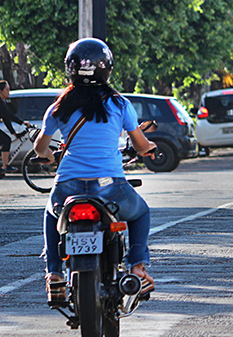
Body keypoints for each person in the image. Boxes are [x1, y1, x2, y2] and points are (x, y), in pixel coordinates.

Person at [35, 38, 157, 300]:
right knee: (141, 212)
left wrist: (47, 156)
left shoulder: (59, 106)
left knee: (52, 214)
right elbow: (140, 143)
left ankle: (55, 273)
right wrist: (147, 149)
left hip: (67, 186)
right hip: (109, 187)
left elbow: (39, 147)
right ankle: (137, 267)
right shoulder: (119, 104)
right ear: (107, 69)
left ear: (70, 68)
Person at [0, 81, 33, 177]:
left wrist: (14, 133)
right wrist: (22, 122)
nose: (9, 91)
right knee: (6, 140)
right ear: (0, 91)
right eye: (7, 89)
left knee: (5, 141)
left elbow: (6, 118)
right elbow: (9, 115)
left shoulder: (2, 101)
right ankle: (5, 166)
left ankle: (3, 167)